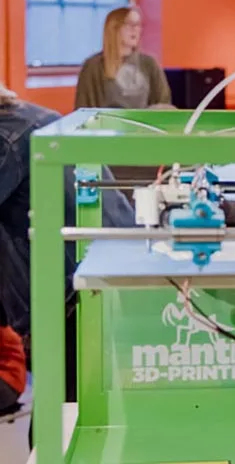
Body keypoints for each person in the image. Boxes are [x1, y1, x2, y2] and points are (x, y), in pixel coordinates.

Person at [0, 83, 134, 404]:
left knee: (65, 425)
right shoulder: (33, 116)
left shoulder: (6, 136)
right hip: (107, 276)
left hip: (79, 295)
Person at [75, 6, 172, 109]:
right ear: (114, 28)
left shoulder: (149, 63)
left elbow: (163, 103)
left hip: (142, 124)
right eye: (130, 24)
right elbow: (83, 108)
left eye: (138, 24)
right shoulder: (93, 66)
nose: (135, 29)